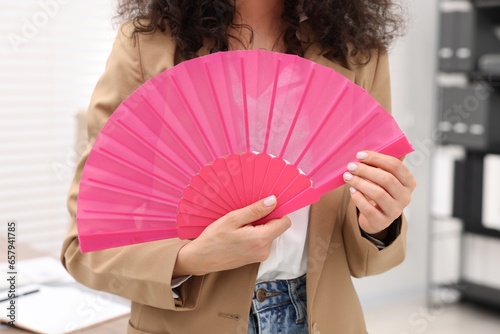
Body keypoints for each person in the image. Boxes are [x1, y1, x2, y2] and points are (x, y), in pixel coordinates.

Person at [61, 1, 416, 333]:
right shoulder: (147, 45)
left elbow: (363, 257)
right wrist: (188, 259)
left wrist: (379, 226)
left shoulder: (357, 53)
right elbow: (86, 244)